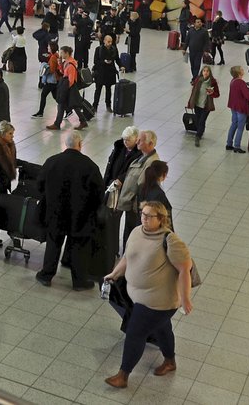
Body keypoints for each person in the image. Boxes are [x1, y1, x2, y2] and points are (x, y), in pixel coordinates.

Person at [103, 201, 193, 389]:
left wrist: (185, 300)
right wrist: (115, 273)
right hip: (140, 297)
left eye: (149, 215)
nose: (144, 217)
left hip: (159, 301)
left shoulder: (170, 240)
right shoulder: (137, 232)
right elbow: (128, 257)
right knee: (162, 329)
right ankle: (170, 361)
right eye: (143, 213)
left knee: (135, 333)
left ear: (160, 219)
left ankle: (123, 375)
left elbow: (185, 270)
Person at [35, 130, 105, 289]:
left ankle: (46, 275)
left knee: (53, 244)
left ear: (65, 144)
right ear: (80, 144)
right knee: (78, 247)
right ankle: (79, 281)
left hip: (55, 213)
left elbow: (39, 184)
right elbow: (99, 193)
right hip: (80, 216)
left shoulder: (52, 161)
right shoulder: (89, 166)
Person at [47, 46, 88, 131]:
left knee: (68, 105)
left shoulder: (71, 65)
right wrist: (61, 64)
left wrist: (65, 90)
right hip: (68, 88)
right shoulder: (66, 62)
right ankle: (58, 123)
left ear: (66, 53)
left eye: (62, 52)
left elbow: (71, 80)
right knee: (67, 105)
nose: (60, 54)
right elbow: (62, 72)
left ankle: (58, 124)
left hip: (69, 88)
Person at [226, 65, 249, 154]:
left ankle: (229, 143)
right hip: (241, 107)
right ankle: (237, 146)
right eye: (242, 69)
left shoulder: (233, 81)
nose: (243, 70)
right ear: (239, 73)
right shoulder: (241, 82)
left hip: (233, 106)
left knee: (234, 124)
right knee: (240, 127)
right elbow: (247, 95)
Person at [187, 65, 219, 147]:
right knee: (198, 120)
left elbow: (217, 94)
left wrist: (212, 93)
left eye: (207, 71)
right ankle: (200, 131)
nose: (205, 72)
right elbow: (193, 92)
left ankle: (198, 136)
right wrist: (190, 102)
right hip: (197, 104)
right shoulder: (198, 80)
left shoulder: (212, 82)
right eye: (204, 71)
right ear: (202, 72)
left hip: (206, 105)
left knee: (202, 120)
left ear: (210, 73)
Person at [92, 33, 120, 113]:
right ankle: (95, 106)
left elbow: (117, 59)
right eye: (108, 41)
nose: (110, 43)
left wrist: (121, 65)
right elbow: (95, 61)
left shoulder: (114, 49)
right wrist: (104, 62)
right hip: (100, 72)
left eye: (111, 42)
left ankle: (108, 105)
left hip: (110, 72)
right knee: (98, 90)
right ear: (104, 41)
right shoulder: (99, 49)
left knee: (108, 90)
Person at [33, 41, 61, 118]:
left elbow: (51, 70)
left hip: (51, 81)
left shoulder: (52, 58)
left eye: (48, 47)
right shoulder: (56, 55)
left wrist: (46, 67)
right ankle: (68, 110)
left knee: (43, 95)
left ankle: (40, 112)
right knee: (56, 97)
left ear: (51, 48)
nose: (47, 48)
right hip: (56, 80)